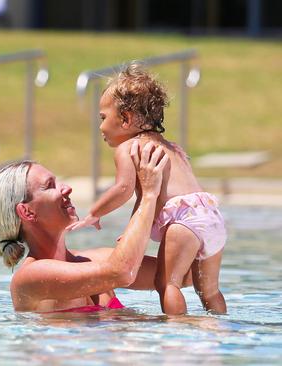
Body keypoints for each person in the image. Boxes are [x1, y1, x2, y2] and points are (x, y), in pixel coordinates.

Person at [68, 63, 227, 315]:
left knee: (167, 283)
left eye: (103, 118)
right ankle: (221, 327)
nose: (100, 127)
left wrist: (94, 212)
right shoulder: (171, 147)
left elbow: (123, 189)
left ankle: (175, 332)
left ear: (126, 119)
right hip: (212, 218)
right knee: (208, 291)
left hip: (184, 223)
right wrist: (132, 230)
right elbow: (146, 200)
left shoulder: (129, 148)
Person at [0, 142, 184, 313]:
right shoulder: (29, 279)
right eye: (50, 185)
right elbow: (122, 272)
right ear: (27, 212)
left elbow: (184, 275)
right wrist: (148, 195)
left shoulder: (97, 260)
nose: (66, 188)